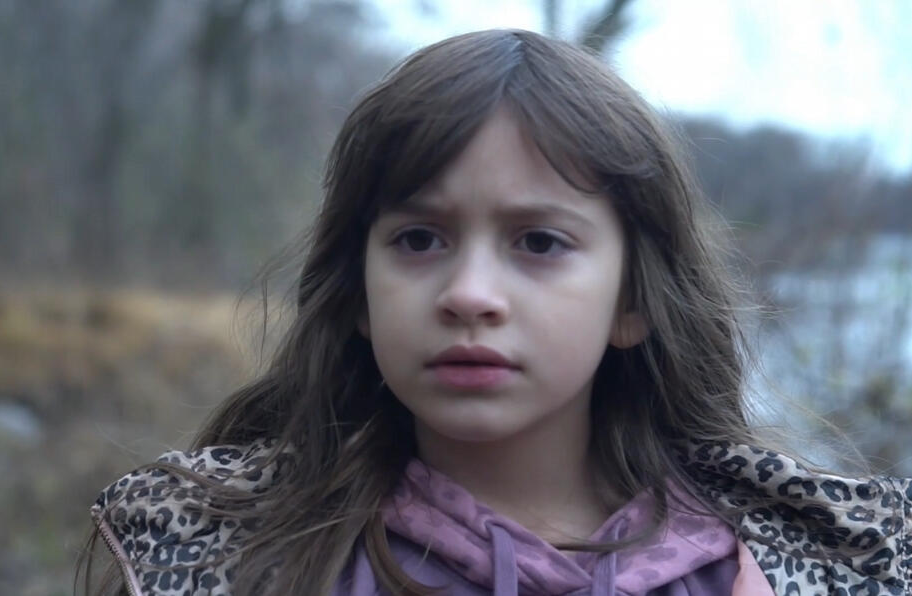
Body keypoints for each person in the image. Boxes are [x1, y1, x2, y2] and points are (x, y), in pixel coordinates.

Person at [79, 29, 911, 596]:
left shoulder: (779, 569)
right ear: (359, 293)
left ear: (631, 302)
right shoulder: (232, 559)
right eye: (418, 239)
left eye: (538, 243)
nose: (469, 294)